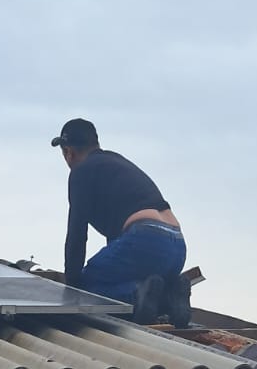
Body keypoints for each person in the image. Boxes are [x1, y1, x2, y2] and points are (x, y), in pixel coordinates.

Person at [51, 118, 190, 326]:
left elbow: (77, 234)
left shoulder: (81, 172)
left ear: (68, 152)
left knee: (89, 284)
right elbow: (117, 244)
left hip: (146, 241)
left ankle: (140, 294)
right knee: (132, 281)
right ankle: (171, 297)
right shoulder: (117, 162)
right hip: (176, 247)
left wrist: (73, 291)